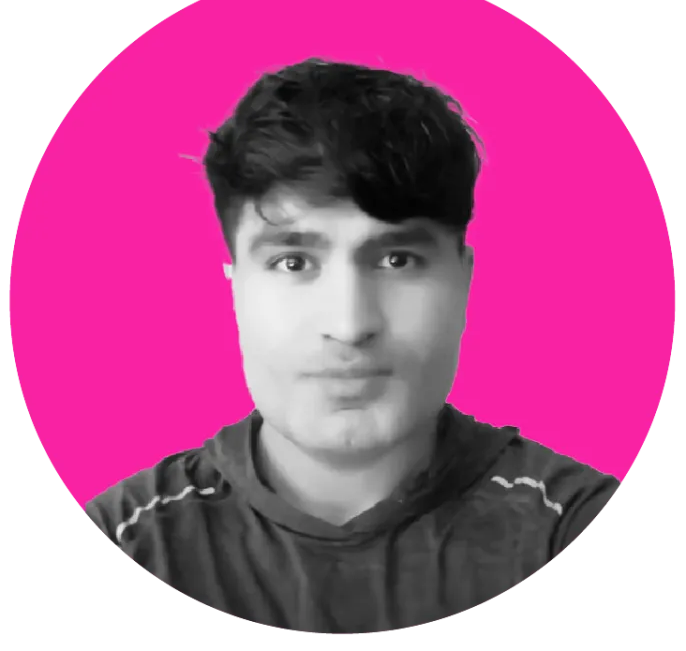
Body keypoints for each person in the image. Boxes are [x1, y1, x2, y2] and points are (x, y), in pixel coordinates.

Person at [85, 58, 622, 635]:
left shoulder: (574, 524)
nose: (348, 324)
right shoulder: (128, 538)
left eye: (398, 260)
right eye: (293, 262)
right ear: (236, 289)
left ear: (464, 281)